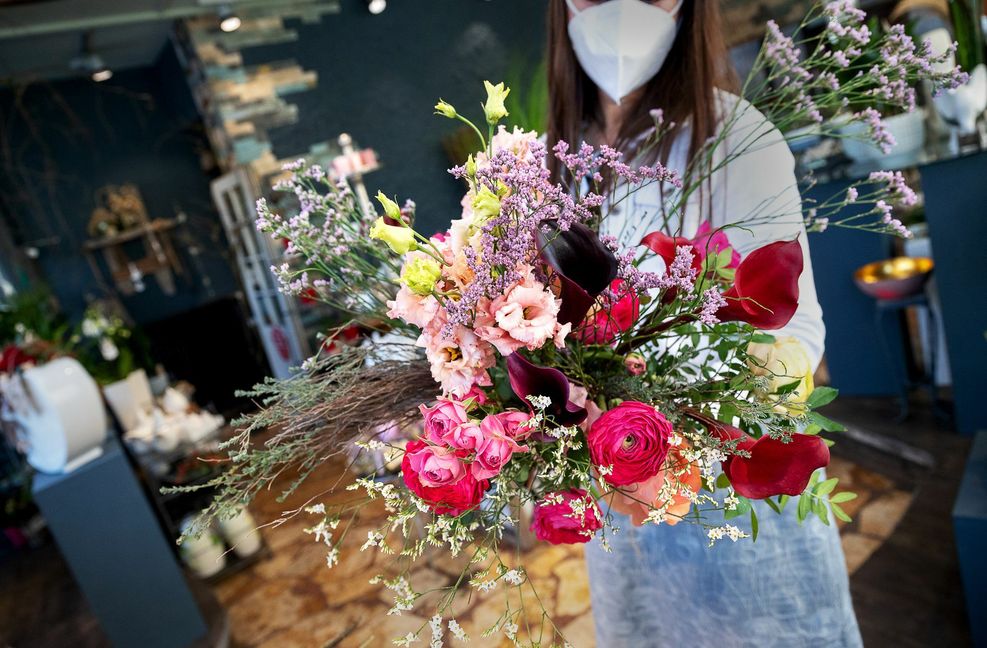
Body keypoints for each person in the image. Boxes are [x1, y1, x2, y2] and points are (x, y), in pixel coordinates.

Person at [545, 1, 864, 646]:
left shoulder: (736, 139)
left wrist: (684, 438)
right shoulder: (555, 164)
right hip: (623, 521)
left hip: (739, 511)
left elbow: (796, 338)